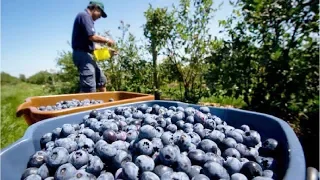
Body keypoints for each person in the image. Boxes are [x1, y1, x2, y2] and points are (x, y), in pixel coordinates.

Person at [71, 0, 116, 93]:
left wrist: (108, 51)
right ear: (95, 8)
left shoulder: (86, 18)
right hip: (82, 54)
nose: (100, 17)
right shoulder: (84, 16)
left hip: (86, 54)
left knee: (101, 81)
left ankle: (104, 104)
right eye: (100, 13)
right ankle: (88, 105)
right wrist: (107, 40)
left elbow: (92, 45)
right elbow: (92, 37)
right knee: (89, 87)